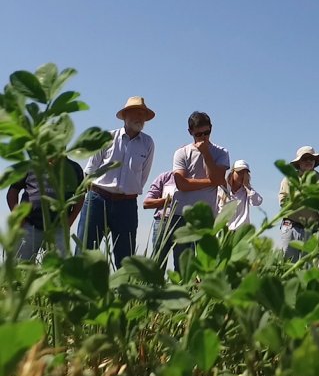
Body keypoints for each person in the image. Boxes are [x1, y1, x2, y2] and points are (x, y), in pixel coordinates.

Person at [77, 96, 156, 268]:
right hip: (98, 200)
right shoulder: (106, 138)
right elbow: (89, 171)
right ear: (125, 115)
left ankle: (122, 294)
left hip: (126, 205)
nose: (140, 118)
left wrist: (127, 191)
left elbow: (143, 176)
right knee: (85, 250)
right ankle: (77, 292)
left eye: (143, 114)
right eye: (136, 113)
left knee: (125, 256)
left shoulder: (148, 143)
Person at [157, 111, 230, 272]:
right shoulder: (181, 153)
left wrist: (206, 154)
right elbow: (182, 184)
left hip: (207, 217)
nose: (203, 137)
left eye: (207, 132)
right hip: (181, 215)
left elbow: (219, 179)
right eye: (198, 134)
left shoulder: (221, 152)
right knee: (183, 267)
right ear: (190, 132)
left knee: (206, 265)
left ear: (211, 129)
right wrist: (211, 182)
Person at [6, 155, 85, 261]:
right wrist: (19, 218)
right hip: (29, 226)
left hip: (59, 228)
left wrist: (69, 221)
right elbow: (12, 191)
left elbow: (80, 196)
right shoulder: (29, 166)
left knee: (60, 269)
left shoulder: (74, 168)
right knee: (21, 267)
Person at [278, 146, 319, 261]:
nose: (308, 161)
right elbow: (282, 200)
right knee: (287, 262)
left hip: (313, 230)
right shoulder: (289, 178)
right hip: (291, 226)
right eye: (305, 159)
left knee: (308, 267)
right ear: (299, 163)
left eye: (311, 159)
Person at [216, 160, 263, 230]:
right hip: (224, 230)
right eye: (239, 172)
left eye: (244, 173)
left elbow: (257, 201)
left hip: (240, 231)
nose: (241, 176)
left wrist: (247, 186)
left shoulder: (247, 192)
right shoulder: (222, 188)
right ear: (232, 173)